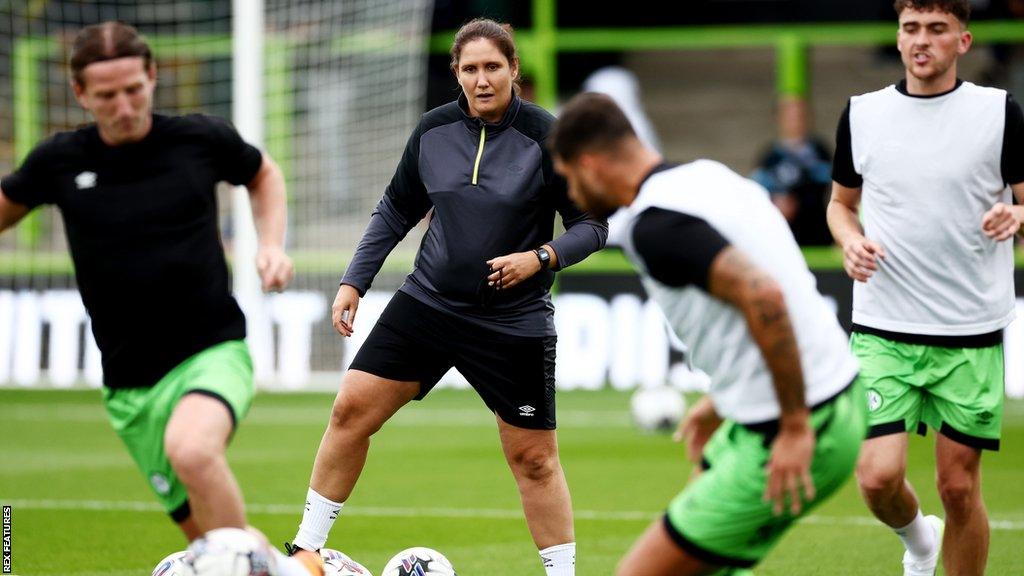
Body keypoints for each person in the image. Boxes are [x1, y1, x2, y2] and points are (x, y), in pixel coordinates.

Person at [288, 18, 607, 576]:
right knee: (349, 411)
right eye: (469, 69)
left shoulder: (549, 138)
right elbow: (394, 208)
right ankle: (305, 549)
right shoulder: (433, 130)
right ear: (456, 74)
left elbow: (592, 225)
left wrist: (541, 258)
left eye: (492, 67)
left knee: (533, 460)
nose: (481, 80)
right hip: (428, 305)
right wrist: (353, 281)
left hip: (514, 322)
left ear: (514, 70)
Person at [0, 22, 321, 575]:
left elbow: (263, 174)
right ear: (80, 94)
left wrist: (270, 245)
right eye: (106, 95)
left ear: (152, 77)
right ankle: (306, 570)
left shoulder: (198, 139)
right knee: (215, 538)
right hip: (129, 388)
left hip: (212, 352)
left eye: (133, 89)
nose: (123, 106)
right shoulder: (59, 161)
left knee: (194, 453)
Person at [548, 92, 866, 576]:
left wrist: (796, 427)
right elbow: (776, 284)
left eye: (569, 177)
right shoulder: (708, 176)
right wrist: (724, 400)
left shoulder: (654, 226)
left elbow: (764, 296)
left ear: (590, 164)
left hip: (802, 422)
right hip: (836, 397)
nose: (570, 193)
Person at [827, 1, 1024, 574]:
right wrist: (849, 239)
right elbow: (841, 205)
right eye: (911, 28)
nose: (922, 41)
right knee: (876, 475)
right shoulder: (863, 114)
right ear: (897, 37)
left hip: (970, 329)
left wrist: (1017, 216)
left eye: (937, 29)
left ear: (962, 41)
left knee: (958, 487)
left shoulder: (998, 111)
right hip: (884, 323)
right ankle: (919, 540)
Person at [750, 96, 834, 246]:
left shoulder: (820, 151)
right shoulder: (770, 157)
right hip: (783, 235)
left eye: (800, 114)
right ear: (779, 117)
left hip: (817, 232)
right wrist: (776, 204)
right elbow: (756, 191)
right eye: (789, 115)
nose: (795, 120)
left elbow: (835, 184)